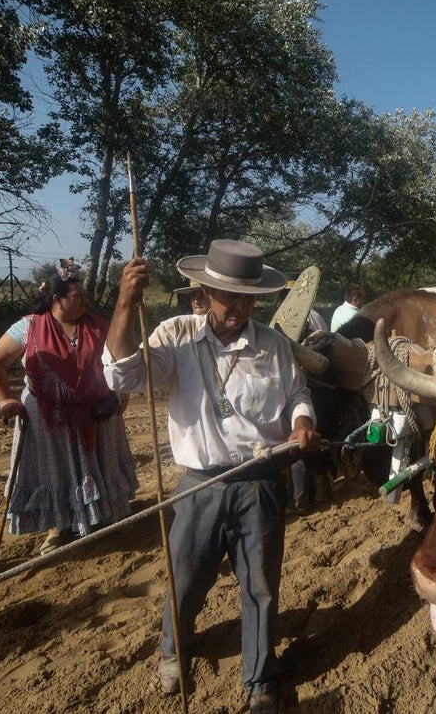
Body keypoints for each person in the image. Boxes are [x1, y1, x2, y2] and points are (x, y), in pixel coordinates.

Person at [103, 239, 319, 712]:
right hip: (199, 484)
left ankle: (261, 678)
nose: (240, 307)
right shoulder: (176, 335)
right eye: (230, 297)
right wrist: (125, 302)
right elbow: (122, 375)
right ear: (205, 293)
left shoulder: (275, 345)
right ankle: (173, 650)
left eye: (249, 299)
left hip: (261, 482)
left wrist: (303, 421)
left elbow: (298, 393)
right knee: (186, 578)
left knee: (260, 585)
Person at [0, 260, 137, 554]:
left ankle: (105, 516)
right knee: (55, 471)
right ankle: (58, 527)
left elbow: (119, 358)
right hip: (46, 417)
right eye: (77, 296)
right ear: (57, 300)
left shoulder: (98, 326)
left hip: (97, 413)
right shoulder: (27, 327)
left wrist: (121, 390)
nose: (84, 301)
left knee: (98, 464)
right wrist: (5, 399)